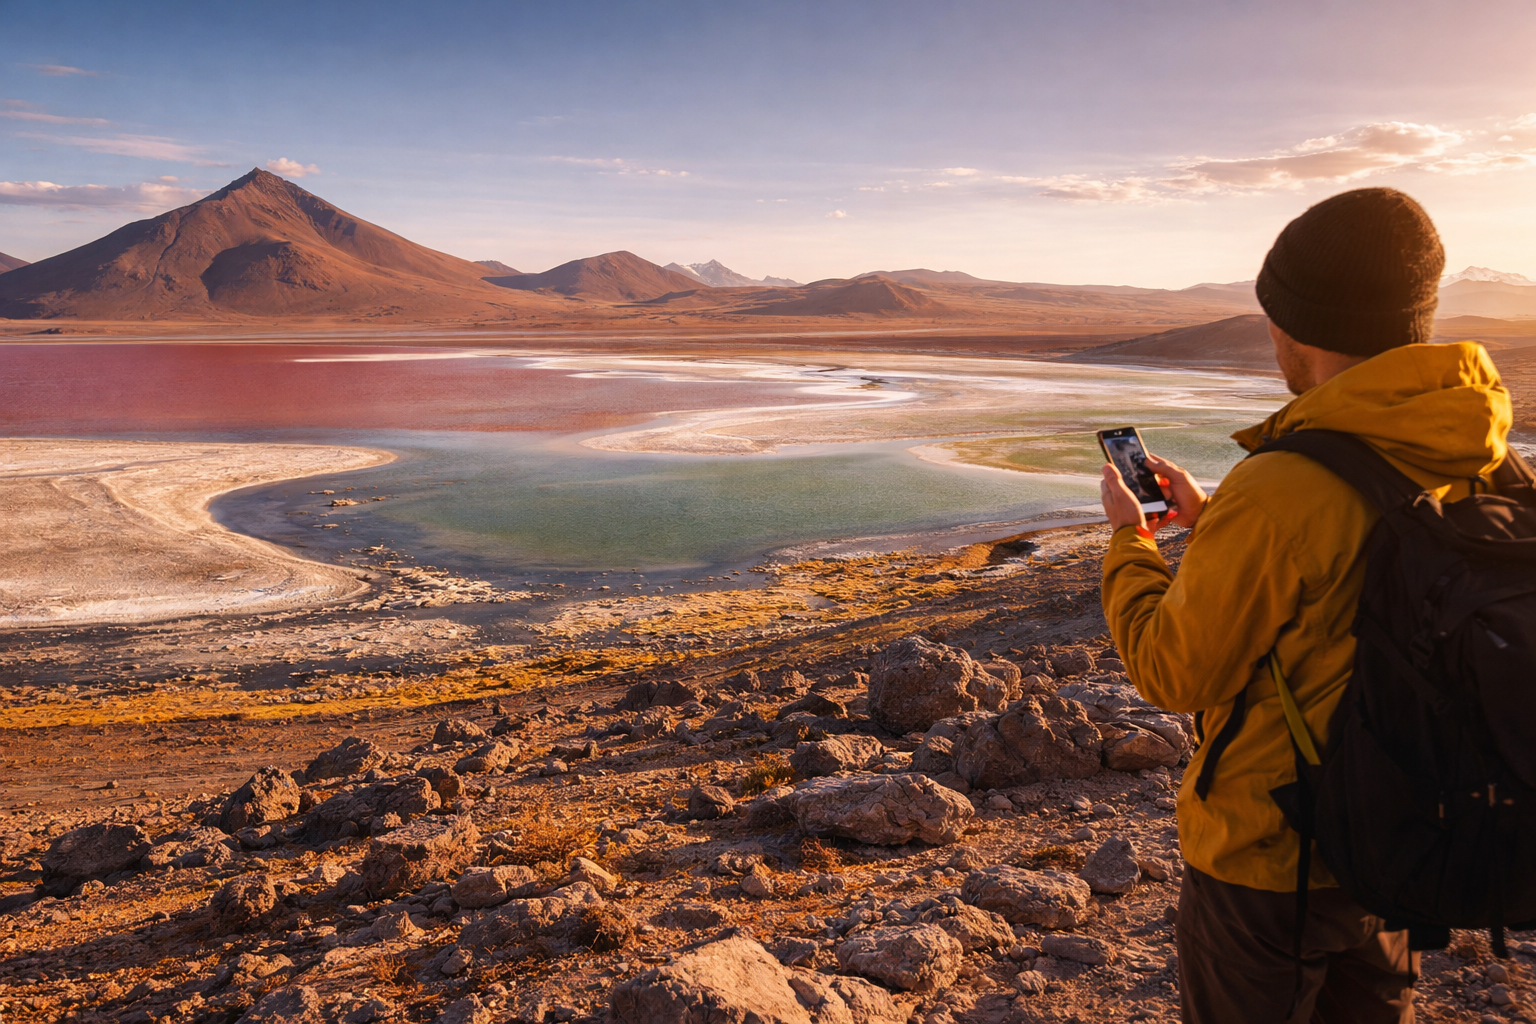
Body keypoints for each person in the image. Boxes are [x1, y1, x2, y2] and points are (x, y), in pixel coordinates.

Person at [1097, 187, 1513, 1023]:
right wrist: (1216, 528)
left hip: (1270, 855)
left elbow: (1172, 669)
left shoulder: (1285, 486)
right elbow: (1365, 585)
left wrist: (1130, 544)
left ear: (1298, 324)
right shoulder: (1479, 452)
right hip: (1404, 833)